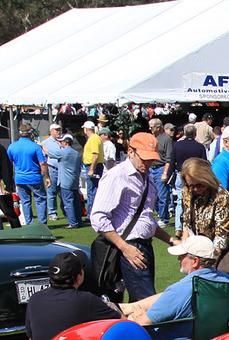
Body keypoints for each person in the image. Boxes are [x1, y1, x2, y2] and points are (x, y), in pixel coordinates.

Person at [91, 133, 172, 302]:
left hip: (143, 246)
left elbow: (147, 220)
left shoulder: (148, 178)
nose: (148, 163)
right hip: (128, 246)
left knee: (140, 302)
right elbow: (98, 218)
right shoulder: (116, 176)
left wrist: (171, 240)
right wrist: (125, 248)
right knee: (146, 302)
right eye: (144, 158)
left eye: (151, 159)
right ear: (130, 151)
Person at [122, 234, 229, 340]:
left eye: (182, 255)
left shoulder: (182, 289)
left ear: (195, 261)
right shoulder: (226, 281)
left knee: (129, 321)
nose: (179, 259)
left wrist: (137, 316)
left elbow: (141, 324)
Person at [25, 250, 119, 340]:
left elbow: (31, 338)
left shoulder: (35, 299)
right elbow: (122, 324)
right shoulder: (86, 300)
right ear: (79, 277)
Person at [178, 157, 229, 276]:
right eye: (190, 185)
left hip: (219, 253)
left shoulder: (221, 196)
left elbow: (222, 237)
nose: (195, 189)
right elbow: (186, 222)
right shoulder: (187, 192)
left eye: (199, 185)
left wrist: (207, 263)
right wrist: (184, 248)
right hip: (196, 250)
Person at [165, 124, 207, 233]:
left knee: (180, 201)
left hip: (181, 174)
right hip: (196, 176)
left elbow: (172, 161)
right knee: (196, 201)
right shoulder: (200, 147)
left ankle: (178, 228)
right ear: (195, 133)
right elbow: (204, 163)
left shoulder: (177, 146)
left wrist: (168, 176)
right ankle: (194, 226)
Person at [6, 124, 50, 227]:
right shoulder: (35, 146)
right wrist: (47, 177)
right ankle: (42, 224)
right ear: (30, 134)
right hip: (35, 178)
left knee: (26, 202)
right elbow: (42, 163)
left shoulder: (12, 146)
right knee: (40, 200)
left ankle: (29, 223)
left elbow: (8, 163)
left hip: (20, 179)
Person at [53, 133, 84, 228]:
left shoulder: (64, 152)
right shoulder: (76, 153)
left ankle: (72, 223)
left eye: (61, 141)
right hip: (74, 180)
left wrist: (41, 146)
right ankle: (78, 221)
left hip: (65, 182)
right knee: (76, 202)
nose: (60, 143)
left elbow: (49, 153)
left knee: (68, 203)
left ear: (66, 142)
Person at [40, 122, 65, 220]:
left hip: (62, 170)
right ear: (51, 131)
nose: (59, 132)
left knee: (63, 192)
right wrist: (43, 171)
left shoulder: (63, 141)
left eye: (59, 129)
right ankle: (52, 213)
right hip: (52, 169)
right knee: (52, 192)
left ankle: (66, 211)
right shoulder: (45, 143)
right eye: (56, 130)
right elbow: (43, 158)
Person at [81, 120, 104, 211]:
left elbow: (95, 154)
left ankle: (92, 213)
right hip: (94, 166)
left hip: (93, 166)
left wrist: (91, 169)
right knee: (92, 190)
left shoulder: (94, 138)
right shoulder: (95, 138)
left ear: (86, 129)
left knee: (92, 191)